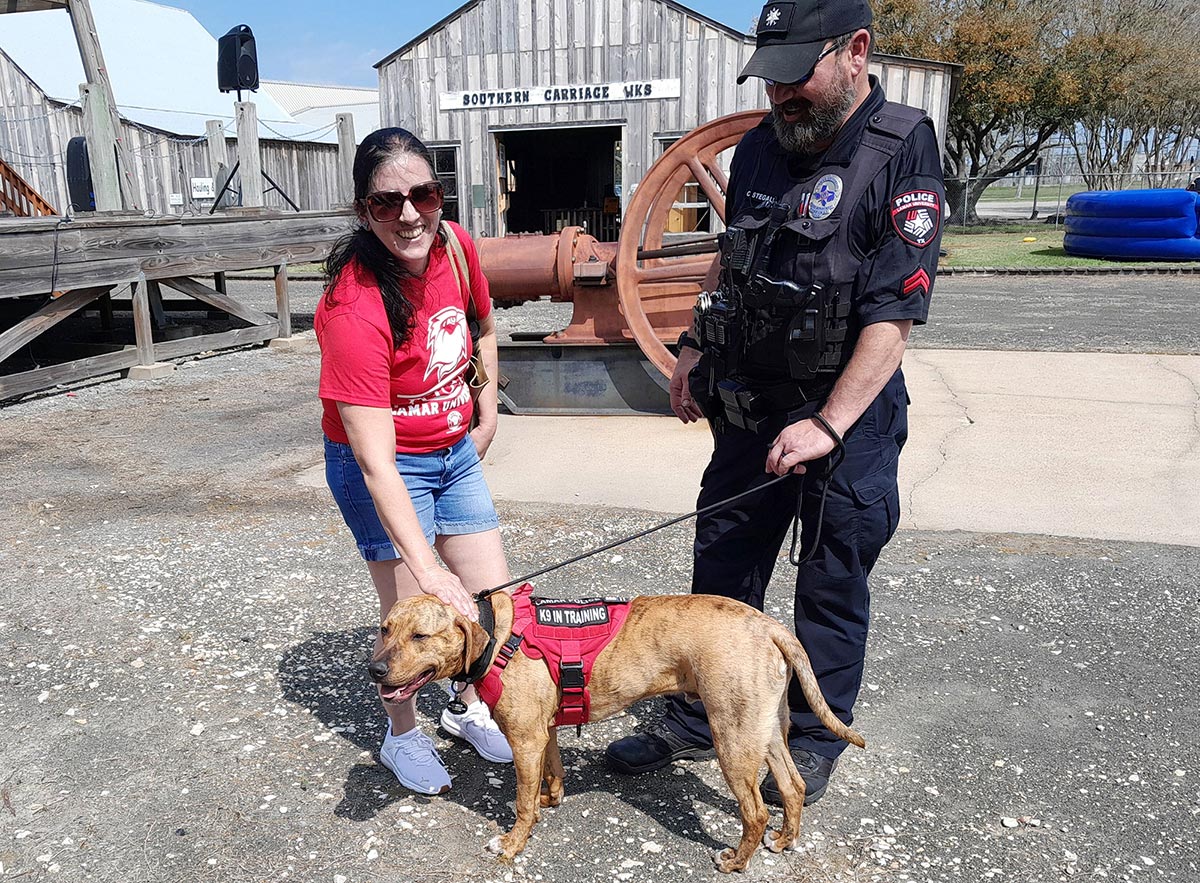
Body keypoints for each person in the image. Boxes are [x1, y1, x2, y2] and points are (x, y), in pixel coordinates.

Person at [606, 0, 945, 808]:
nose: (782, 94)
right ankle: (695, 712)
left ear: (856, 51)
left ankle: (811, 733)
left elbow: (893, 317)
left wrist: (828, 424)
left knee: (830, 576)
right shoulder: (761, 147)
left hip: (845, 414)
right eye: (773, 77)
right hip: (752, 403)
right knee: (722, 565)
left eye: (798, 74)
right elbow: (734, 258)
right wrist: (692, 345)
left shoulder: (902, 148)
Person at [316, 127, 512, 795]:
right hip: (386, 465)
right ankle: (401, 735)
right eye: (385, 202)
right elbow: (377, 466)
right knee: (406, 624)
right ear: (362, 211)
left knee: (488, 605)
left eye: (423, 194)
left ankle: (465, 706)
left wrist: (485, 409)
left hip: (453, 451)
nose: (408, 214)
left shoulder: (454, 247)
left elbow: (482, 327)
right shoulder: (353, 305)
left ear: (439, 194)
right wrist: (428, 569)